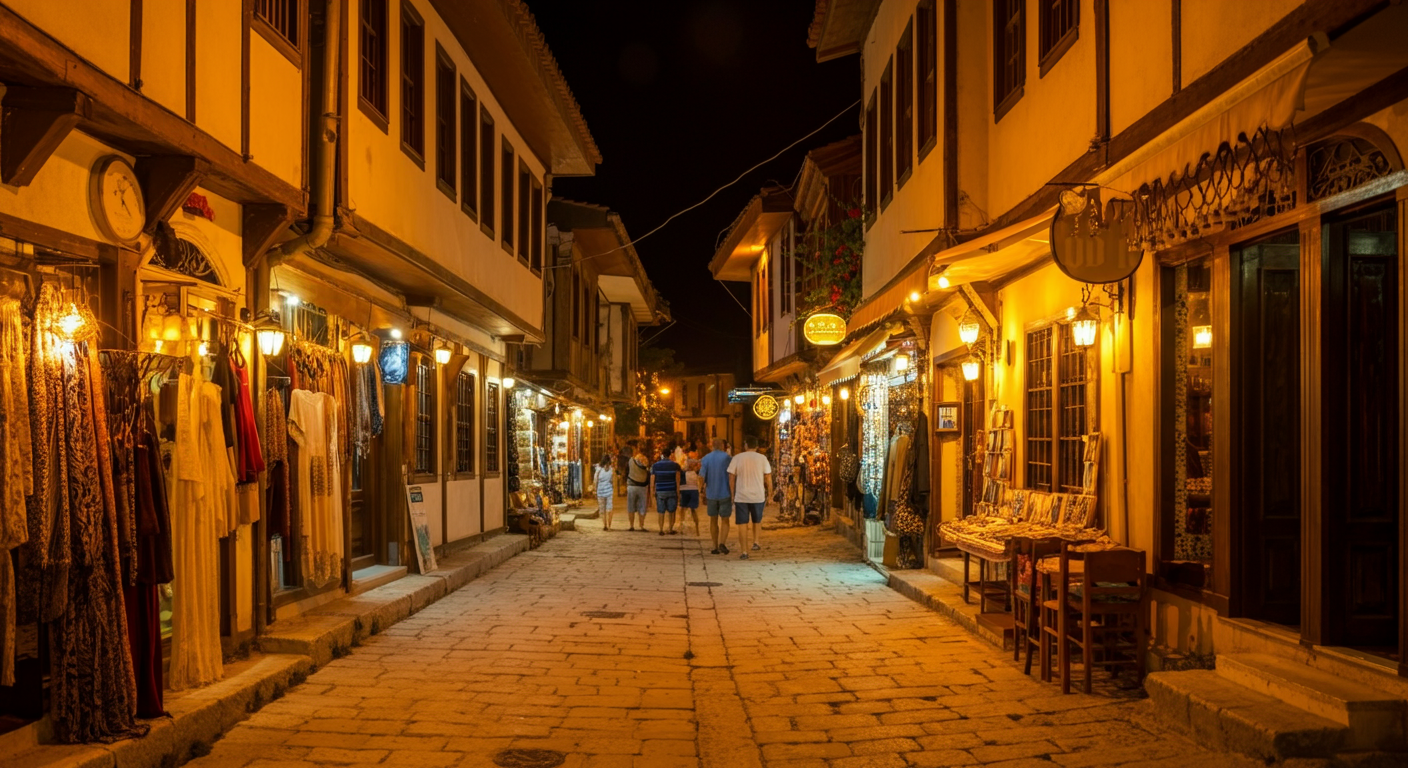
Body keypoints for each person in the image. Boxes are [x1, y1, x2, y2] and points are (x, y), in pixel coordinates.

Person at [728, 435, 773, 559]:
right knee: (757, 519)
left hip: (741, 495)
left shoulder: (737, 458)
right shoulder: (762, 458)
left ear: (745, 445)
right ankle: (756, 541)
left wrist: (732, 494)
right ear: (757, 447)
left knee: (742, 523)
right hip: (758, 495)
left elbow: (731, 477)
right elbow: (768, 477)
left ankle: (744, 551)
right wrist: (770, 494)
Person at [698, 438, 733, 555]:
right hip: (725, 493)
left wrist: (701, 489)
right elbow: (731, 476)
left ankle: (715, 546)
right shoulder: (728, 458)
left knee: (713, 520)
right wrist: (733, 492)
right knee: (725, 519)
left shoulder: (706, 458)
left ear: (712, 446)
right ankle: (722, 542)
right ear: (723, 446)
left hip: (711, 494)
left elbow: (701, 476)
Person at [650, 448, 682, 536]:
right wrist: (678, 493)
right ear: (670, 455)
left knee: (661, 511)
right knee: (672, 511)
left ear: (662, 455)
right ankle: (670, 529)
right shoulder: (675, 466)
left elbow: (652, 480)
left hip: (660, 491)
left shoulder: (655, 466)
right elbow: (678, 480)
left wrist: (652, 492)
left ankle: (661, 529)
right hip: (672, 490)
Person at [626, 444, 652, 531]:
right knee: (642, 506)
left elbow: (626, 471)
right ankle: (641, 526)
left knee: (631, 506)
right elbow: (648, 471)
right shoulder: (645, 460)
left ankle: (631, 526)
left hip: (631, 486)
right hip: (642, 486)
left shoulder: (631, 460)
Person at [679, 458, 702, 536]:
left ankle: (681, 527)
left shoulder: (683, 472)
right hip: (693, 490)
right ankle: (697, 529)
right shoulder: (696, 472)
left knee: (683, 509)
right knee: (693, 510)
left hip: (684, 490)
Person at [592, 454, 615, 531]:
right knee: (609, 508)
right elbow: (612, 481)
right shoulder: (611, 469)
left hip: (600, 491)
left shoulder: (598, 469)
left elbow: (595, 480)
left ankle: (605, 525)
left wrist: (595, 490)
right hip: (609, 491)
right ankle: (609, 526)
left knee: (602, 509)